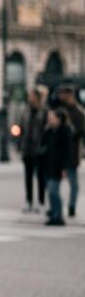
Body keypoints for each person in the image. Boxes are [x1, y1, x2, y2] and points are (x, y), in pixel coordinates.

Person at [19, 88, 47, 213]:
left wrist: (44, 147)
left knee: (40, 177)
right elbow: (21, 128)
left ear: (37, 97)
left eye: (32, 96)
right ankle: (29, 201)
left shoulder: (44, 112)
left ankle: (41, 202)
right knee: (28, 177)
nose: (29, 99)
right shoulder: (25, 111)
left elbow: (46, 132)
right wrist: (20, 144)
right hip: (27, 149)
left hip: (39, 150)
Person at [57, 85, 84, 217]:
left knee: (73, 182)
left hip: (72, 152)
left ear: (69, 95)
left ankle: (71, 206)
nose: (60, 97)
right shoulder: (61, 110)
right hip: (60, 151)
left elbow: (80, 132)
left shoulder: (78, 112)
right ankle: (56, 206)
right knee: (54, 181)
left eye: (63, 94)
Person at [42, 107, 72, 226]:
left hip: (58, 166)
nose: (49, 120)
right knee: (51, 191)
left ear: (59, 119)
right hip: (49, 165)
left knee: (54, 191)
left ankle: (58, 215)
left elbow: (67, 151)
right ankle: (54, 214)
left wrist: (65, 167)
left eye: (51, 118)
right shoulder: (50, 131)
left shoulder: (65, 131)